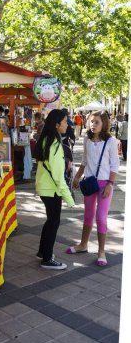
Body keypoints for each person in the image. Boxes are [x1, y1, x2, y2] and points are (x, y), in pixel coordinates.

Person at [66, 111, 119, 266]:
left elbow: (115, 165)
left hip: (105, 184)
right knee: (88, 215)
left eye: (96, 122)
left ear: (103, 124)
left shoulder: (111, 141)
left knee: (101, 218)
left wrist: (110, 184)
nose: (93, 124)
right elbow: (84, 161)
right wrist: (77, 177)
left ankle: (101, 251)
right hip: (89, 182)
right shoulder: (87, 140)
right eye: (91, 121)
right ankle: (83, 244)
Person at [34, 109, 75, 270]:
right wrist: (70, 199)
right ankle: (47, 258)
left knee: (51, 221)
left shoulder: (47, 140)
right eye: (65, 121)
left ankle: (43, 252)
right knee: (53, 222)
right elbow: (58, 176)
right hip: (51, 190)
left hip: (45, 188)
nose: (67, 124)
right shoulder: (55, 144)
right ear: (57, 125)